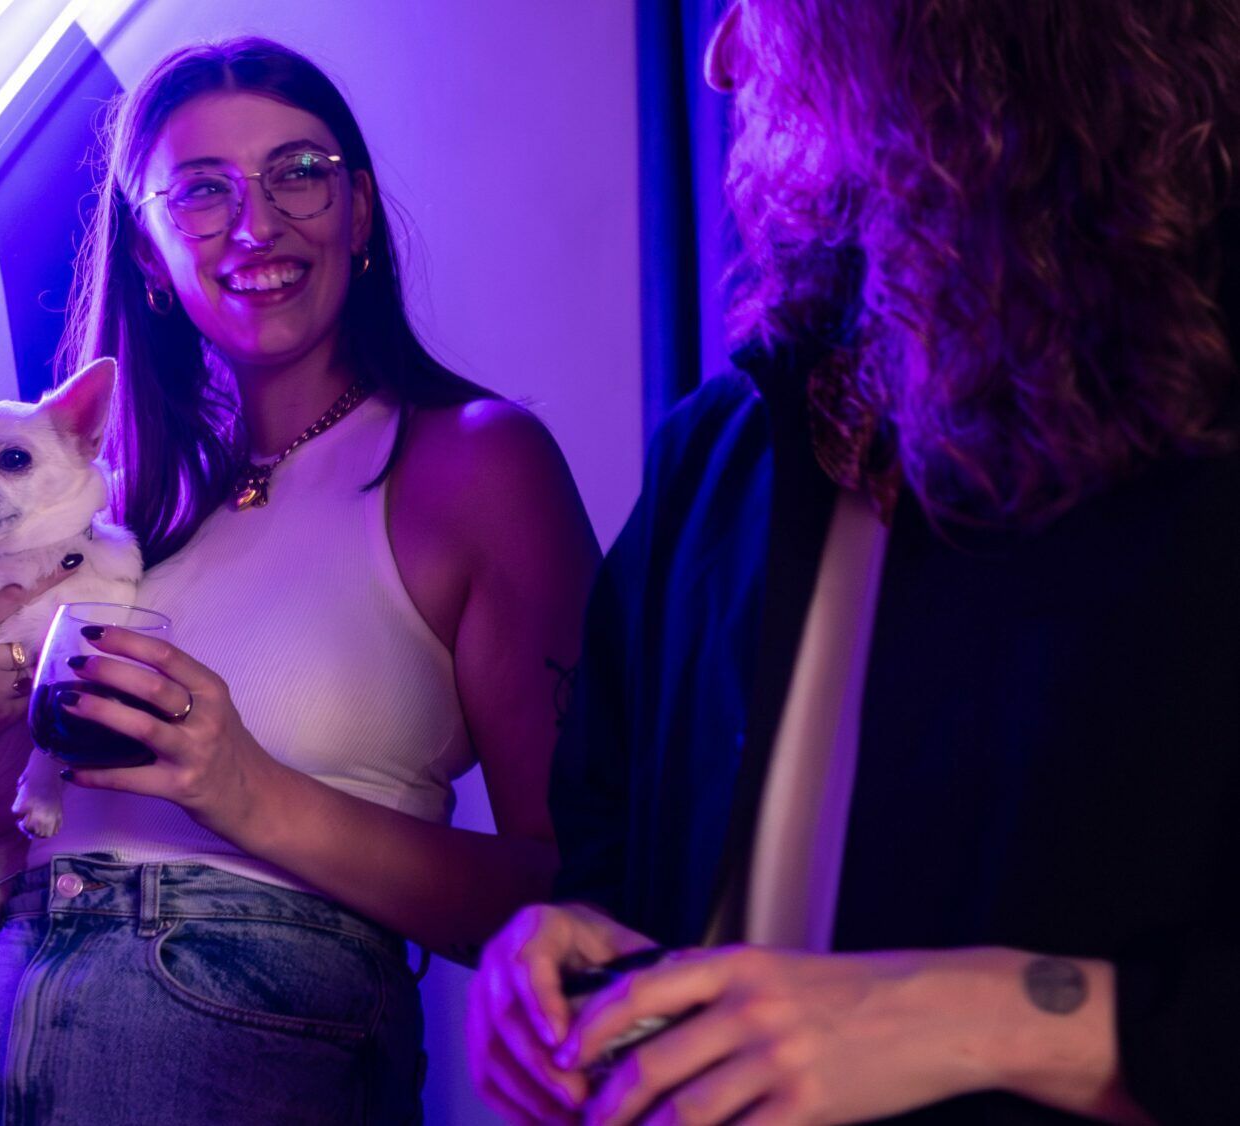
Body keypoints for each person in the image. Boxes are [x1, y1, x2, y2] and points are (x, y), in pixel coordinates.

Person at [470, 1, 1240, 1123]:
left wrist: (987, 1015)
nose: (720, 58)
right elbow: (607, 843)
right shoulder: (711, 448)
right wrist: (572, 945)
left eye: (757, 6)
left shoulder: (1204, 407)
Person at [0, 36, 599, 1124]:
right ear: (152, 252)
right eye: (202, 192)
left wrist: (247, 791)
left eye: (297, 173)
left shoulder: (471, 461)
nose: (257, 225)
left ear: (358, 210)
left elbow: (583, 900)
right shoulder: (109, 510)